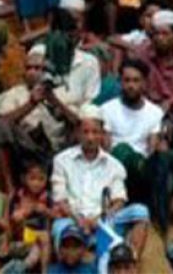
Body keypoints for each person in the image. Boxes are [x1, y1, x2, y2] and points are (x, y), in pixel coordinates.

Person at [50, 108, 151, 268]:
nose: (90, 137)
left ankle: (130, 265)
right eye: (86, 132)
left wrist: (98, 220)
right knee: (59, 227)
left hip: (103, 220)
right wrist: (80, 221)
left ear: (102, 134)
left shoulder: (114, 165)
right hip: (73, 219)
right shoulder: (62, 160)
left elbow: (119, 200)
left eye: (95, 132)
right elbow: (60, 199)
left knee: (141, 212)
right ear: (77, 133)